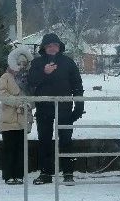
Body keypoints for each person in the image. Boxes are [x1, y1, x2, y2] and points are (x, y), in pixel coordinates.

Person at [27, 32, 84, 185]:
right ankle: (45, 173)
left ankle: (68, 172)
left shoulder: (68, 62)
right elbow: (31, 82)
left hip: (64, 107)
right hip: (43, 108)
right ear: (44, 48)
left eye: (55, 45)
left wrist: (79, 106)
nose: (52, 48)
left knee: (66, 140)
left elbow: (77, 85)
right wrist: (44, 72)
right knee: (44, 140)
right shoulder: (37, 63)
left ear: (59, 47)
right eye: (49, 45)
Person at [0, 47, 33, 185]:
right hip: (9, 120)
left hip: (23, 120)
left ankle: (19, 174)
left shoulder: (27, 80)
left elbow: (31, 97)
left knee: (20, 149)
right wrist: (19, 102)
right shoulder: (5, 77)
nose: (21, 66)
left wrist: (29, 104)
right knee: (9, 148)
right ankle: (8, 175)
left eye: (24, 64)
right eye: (19, 63)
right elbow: (2, 94)